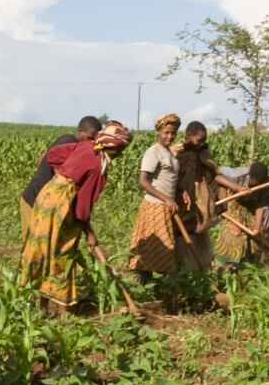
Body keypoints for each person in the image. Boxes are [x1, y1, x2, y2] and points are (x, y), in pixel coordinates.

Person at [20, 120, 134, 314]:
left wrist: (63, 177)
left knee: (43, 249)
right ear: (109, 146)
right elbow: (82, 207)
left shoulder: (86, 145)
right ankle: (65, 315)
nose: (119, 155)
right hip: (62, 207)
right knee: (62, 255)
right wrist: (89, 233)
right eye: (119, 151)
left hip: (46, 197)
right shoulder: (99, 168)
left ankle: (41, 307)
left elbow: (53, 155)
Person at [173, 121, 245, 271]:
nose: (201, 144)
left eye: (204, 141)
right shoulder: (176, 153)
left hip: (200, 202)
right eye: (199, 140)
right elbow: (168, 178)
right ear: (188, 136)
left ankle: (200, 271)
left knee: (198, 235)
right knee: (180, 235)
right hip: (180, 201)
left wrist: (237, 188)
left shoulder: (203, 152)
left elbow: (215, 174)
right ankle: (182, 273)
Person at [20, 116, 102, 242]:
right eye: (90, 138)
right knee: (33, 247)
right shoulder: (71, 143)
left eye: (95, 140)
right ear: (80, 131)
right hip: (34, 199)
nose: (92, 143)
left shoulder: (65, 139)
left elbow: (42, 158)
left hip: (42, 200)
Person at [130, 113, 190, 276]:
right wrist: (166, 199)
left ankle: (161, 287)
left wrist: (182, 190)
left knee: (164, 248)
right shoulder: (153, 152)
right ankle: (147, 282)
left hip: (165, 206)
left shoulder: (169, 153)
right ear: (158, 132)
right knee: (157, 247)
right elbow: (143, 181)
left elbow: (170, 179)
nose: (170, 136)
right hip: (154, 206)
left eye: (173, 133)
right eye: (166, 132)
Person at [213, 162, 269, 269]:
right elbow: (215, 174)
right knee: (233, 234)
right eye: (252, 184)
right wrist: (237, 188)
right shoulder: (236, 174)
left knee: (254, 239)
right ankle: (223, 266)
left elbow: (262, 206)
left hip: (251, 208)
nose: (254, 187)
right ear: (249, 175)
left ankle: (247, 268)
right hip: (234, 203)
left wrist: (257, 227)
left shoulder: (268, 184)